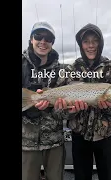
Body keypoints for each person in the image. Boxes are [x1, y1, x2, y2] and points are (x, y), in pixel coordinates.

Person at [56, 23, 111, 180]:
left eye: (95, 41)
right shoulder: (70, 70)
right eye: (86, 41)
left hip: (106, 136)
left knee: (108, 177)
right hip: (79, 137)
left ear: (100, 43)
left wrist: (108, 109)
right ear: (80, 44)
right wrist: (71, 110)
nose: (91, 45)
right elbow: (58, 111)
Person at [22, 21, 72, 180]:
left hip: (55, 142)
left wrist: (59, 109)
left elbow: (66, 114)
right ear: (31, 39)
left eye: (48, 38)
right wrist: (30, 107)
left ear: (52, 43)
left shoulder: (63, 71)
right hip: (26, 142)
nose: (43, 41)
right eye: (38, 36)